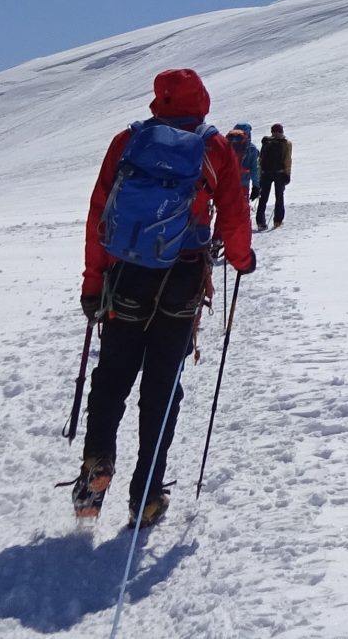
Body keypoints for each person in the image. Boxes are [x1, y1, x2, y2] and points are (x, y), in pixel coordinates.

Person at [73, 68, 254, 528]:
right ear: (202, 100)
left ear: (159, 99)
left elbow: (99, 215)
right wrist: (242, 259)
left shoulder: (128, 141)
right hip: (183, 278)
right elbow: (233, 213)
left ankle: (95, 466)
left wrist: (93, 285)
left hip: (126, 277)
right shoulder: (213, 147)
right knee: (162, 386)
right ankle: (147, 495)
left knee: (112, 376)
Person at [255, 123, 294, 229]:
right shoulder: (286, 143)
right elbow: (287, 160)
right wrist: (287, 174)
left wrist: (260, 175)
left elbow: (260, 159)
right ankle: (278, 221)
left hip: (265, 173)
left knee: (263, 198)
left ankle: (260, 222)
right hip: (279, 173)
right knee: (279, 197)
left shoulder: (266, 142)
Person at [229, 123, 261, 228]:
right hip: (243, 182)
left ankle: (222, 233)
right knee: (242, 208)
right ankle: (240, 230)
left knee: (226, 206)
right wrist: (256, 186)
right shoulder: (251, 148)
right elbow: (254, 169)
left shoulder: (227, 143)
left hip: (227, 182)